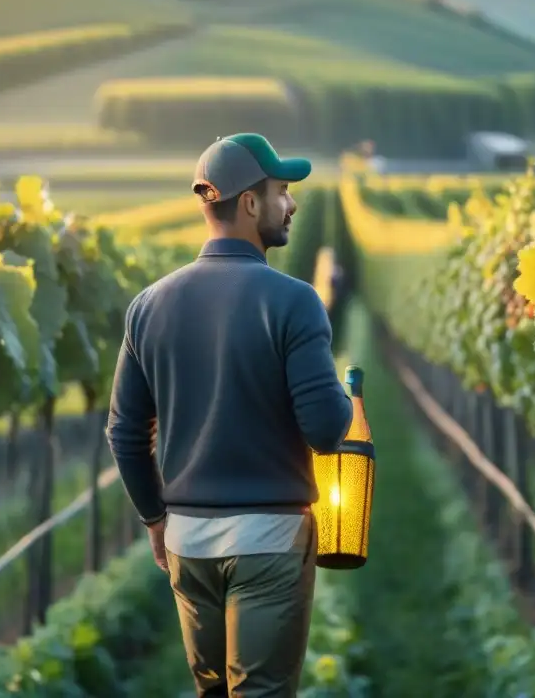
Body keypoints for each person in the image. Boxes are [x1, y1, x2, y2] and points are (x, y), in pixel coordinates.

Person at [106, 132, 354, 697]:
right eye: (282, 191)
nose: (291, 205)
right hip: (269, 538)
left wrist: (153, 517)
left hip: (187, 541)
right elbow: (324, 429)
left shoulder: (149, 305)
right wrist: (343, 393)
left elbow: (124, 432)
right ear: (248, 202)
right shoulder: (294, 302)